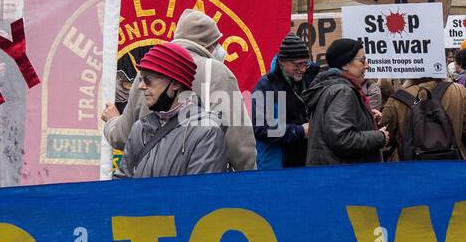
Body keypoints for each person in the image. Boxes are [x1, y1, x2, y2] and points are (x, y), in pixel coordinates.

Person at [104, 9, 256, 171]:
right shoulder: (217, 72)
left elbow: (122, 137)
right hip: (198, 180)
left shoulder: (147, 74)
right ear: (209, 45)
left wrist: (112, 120)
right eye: (216, 44)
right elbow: (238, 142)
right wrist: (248, 182)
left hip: (149, 182)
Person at [115, 42, 227, 178]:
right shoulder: (140, 128)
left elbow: (199, 195)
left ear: (175, 83)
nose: (141, 86)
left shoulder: (208, 132)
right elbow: (121, 184)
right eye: (141, 79)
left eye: (148, 79)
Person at [303, 38, 389, 166]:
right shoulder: (343, 91)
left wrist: (365, 118)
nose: (367, 65)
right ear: (345, 65)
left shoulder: (332, 87)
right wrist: (380, 137)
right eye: (362, 60)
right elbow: (342, 138)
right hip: (342, 175)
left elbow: (334, 127)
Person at [381, 71, 466, 162]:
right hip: (452, 165)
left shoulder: (396, 100)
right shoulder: (460, 92)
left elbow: (385, 139)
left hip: (411, 169)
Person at [251, 33, 318, 170]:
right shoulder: (268, 85)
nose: (303, 69)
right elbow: (262, 128)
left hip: (309, 162)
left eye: (305, 63)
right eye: (298, 65)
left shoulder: (310, 79)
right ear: (282, 62)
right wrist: (299, 131)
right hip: (279, 164)